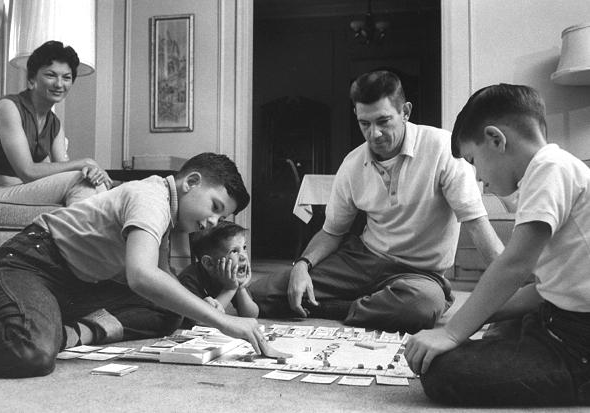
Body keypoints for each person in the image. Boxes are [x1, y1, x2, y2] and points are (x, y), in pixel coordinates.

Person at [0, 152, 268, 378]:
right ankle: (45, 331)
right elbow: (141, 276)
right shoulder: (151, 199)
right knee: (33, 351)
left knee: (169, 308)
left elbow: (162, 275)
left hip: (73, 284)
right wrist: (225, 320)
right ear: (191, 182)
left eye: (221, 217)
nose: (213, 222)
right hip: (26, 264)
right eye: (215, 207)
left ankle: (70, 332)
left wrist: (203, 306)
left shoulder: (166, 210)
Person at [251, 70, 502, 334]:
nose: (375, 134)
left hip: (419, 273)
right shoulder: (352, 164)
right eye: (365, 124)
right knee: (261, 293)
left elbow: (477, 225)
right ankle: (366, 305)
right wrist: (302, 265)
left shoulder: (442, 148)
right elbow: (331, 232)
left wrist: (508, 291)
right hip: (361, 260)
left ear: (405, 111)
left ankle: (335, 308)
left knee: (421, 306)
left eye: (383, 121)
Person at [404, 84, 590, 406]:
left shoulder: (550, 168)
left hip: (578, 343)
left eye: (474, 160)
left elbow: (514, 266)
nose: (478, 177)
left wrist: (451, 333)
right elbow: (546, 290)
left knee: (444, 371)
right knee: (486, 331)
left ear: (496, 139)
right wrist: (469, 320)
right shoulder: (551, 170)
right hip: (555, 319)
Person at [0, 40, 111, 206]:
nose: (59, 84)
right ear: (31, 80)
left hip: (22, 189)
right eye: (51, 75)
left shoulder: (54, 124)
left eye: (66, 77)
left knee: (92, 182)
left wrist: (93, 171)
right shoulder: (8, 107)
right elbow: (27, 171)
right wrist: (85, 163)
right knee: (81, 181)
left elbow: (64, 168)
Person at [178, 221, 258, 324]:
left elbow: (251, 315)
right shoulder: (189, 279)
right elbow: (202, 320)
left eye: (244, 248)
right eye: (234, 251)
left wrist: (240, 288)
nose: (243, 256)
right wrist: (229, 289)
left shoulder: (230, 277)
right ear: (209, 263)